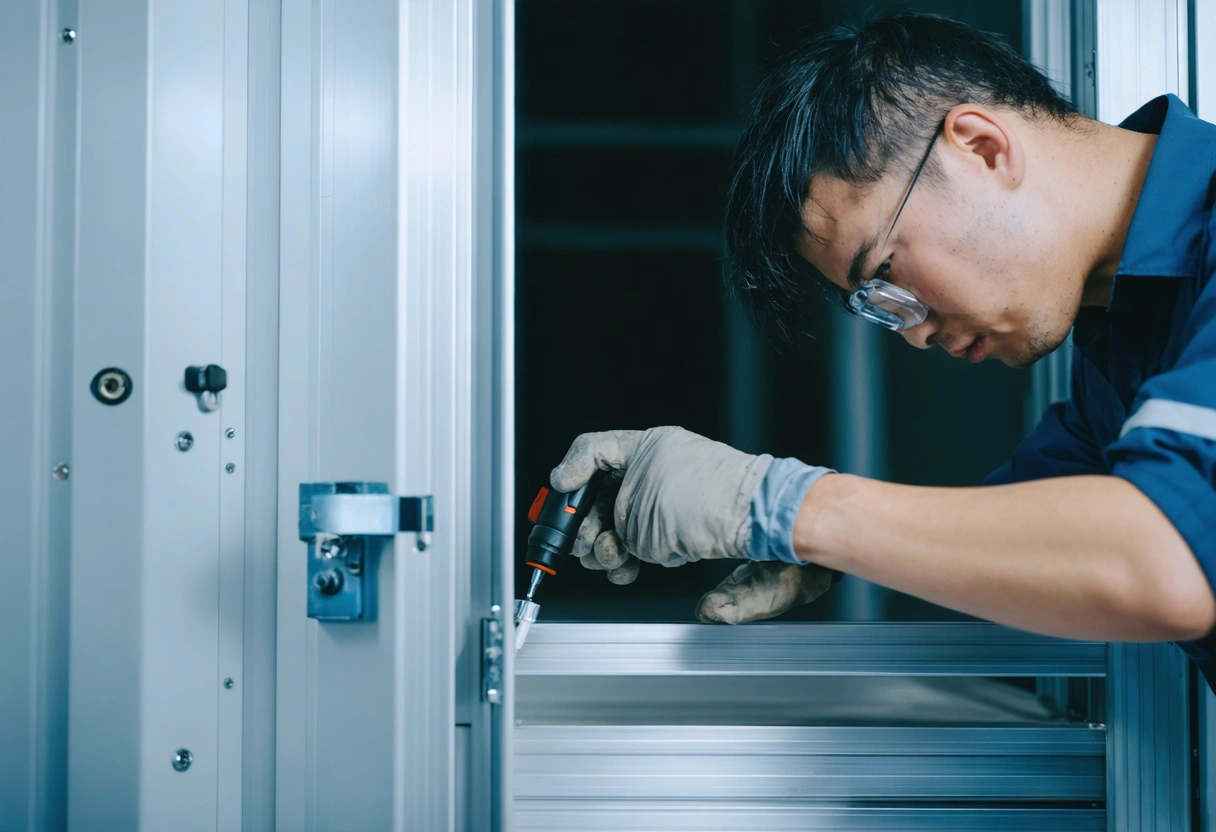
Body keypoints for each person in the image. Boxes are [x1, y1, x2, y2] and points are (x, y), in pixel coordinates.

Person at [551, 13, 1216, 689]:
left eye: (887, 275)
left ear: (981, 148)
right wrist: (805, 540)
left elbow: (1161, 559)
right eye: (877, 308)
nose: (916, 333)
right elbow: (1046, 538)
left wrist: (789, 508)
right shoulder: (1129, 338)